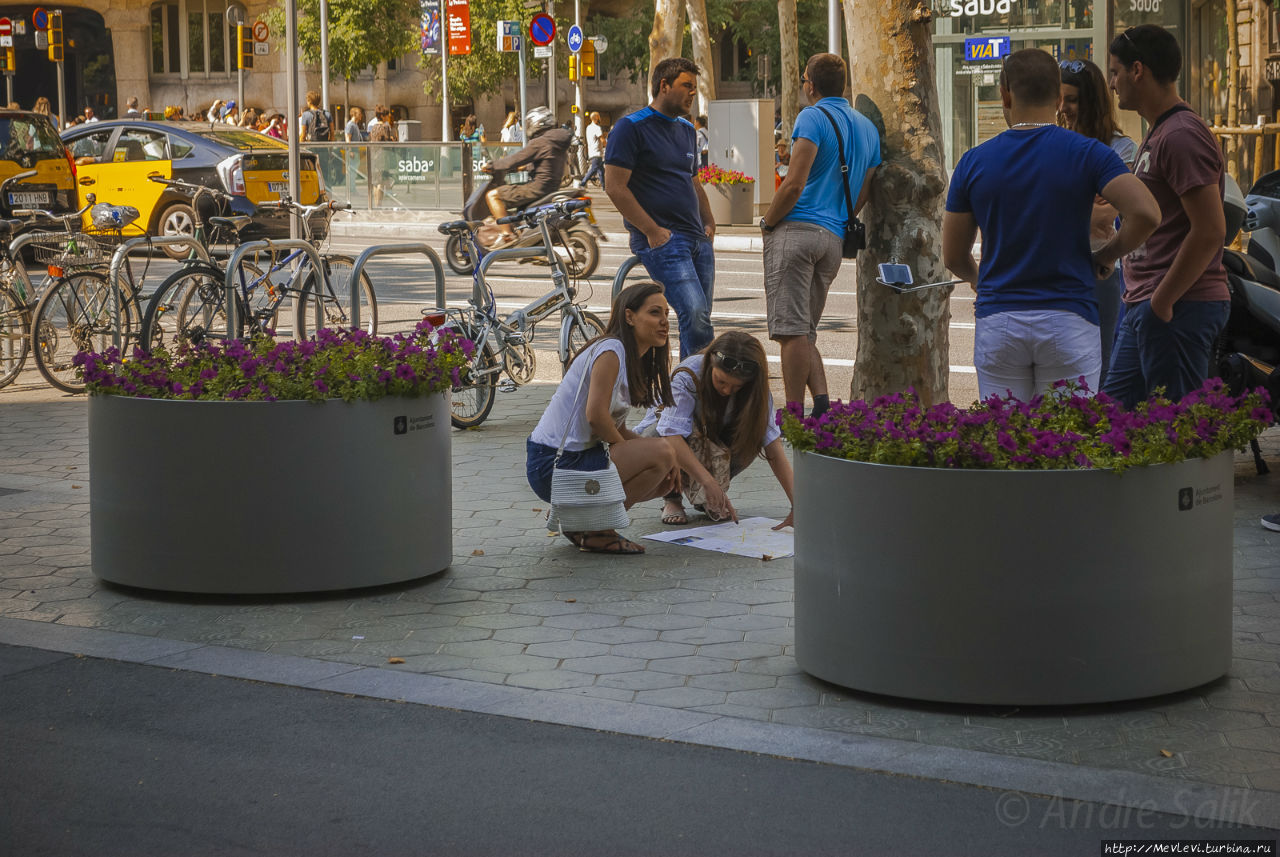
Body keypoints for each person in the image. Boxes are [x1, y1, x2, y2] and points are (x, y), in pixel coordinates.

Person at [942, 48, 1159, 402]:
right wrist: (1106, 255)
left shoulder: (973, 163)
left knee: (1004, 443)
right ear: (1059, 98)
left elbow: (953, 256)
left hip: (1000, 323)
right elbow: (1148, 213)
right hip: (1069, 320)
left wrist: (985, 281)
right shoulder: (1089, 153)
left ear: (1005, 94)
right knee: (1066, 445)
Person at [1102, 24, 1233, 409]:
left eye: (1115, 72)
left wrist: (1163, 301)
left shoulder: (1180, 134)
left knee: (1173, 432)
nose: (1112, 84)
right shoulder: (1160, 131)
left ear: (1137, 70)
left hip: (1176, 305)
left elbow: (1211, 230)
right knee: (1113, 419)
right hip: (1148, 303)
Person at [759, 52, 880, 417]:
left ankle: (792, 413)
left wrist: (767, 222)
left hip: (796, 231)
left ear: (810, 84)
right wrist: (842, 218)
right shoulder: (867, 128)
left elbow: (794, 183)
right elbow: (865, 190)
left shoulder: (812, 117)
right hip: (833, 237)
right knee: (805, 329)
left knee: (792, 331)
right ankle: (822, 405)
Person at [526, 281, 680, 555]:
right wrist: (650, 454)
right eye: (655, 313)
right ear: (630, 316)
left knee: (664, 471)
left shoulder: (626, 355)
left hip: (570, 461)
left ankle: (584, 525)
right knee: (662, 453)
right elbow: (596, 416)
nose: (664, 322)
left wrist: (662, 460)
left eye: (667, 314)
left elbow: (616, 426)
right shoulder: (612, 351)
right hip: (552, 464)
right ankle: (598, 530)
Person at [605, 57, 716, 360]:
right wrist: (651, 230)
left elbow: (692, 180)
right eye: (686, 86)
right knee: (693, 313)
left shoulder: (686, 129)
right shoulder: (630, 127)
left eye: (695, 87)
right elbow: (614, 186)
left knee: (701, 317)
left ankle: (693, 390)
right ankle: (691, 392)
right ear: (664, 86)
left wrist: (709, 222)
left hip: (697, 237)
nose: (693, 93)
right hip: (663, 239)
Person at [636, 330, 795, 529]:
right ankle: (673, 498)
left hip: (710, 442)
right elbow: (671, 435)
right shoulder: (687, 376)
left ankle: (707, 498)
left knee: (753, 435)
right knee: (658, 438)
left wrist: (797, 505)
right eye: (721, 381)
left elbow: (773, 447)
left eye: (737, 387)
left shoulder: (756, 391)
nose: (727, 390)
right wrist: (708, 482)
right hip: (669, 439)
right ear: (711, 362)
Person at [1059, 58, 1139, 391]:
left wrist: (1062, 205)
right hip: (1057, 266)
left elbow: (1107, 215)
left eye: (1073, 100)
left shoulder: (1122, 148)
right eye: (1060, 99)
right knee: (1060, 371)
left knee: (1101, 367)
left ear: (1092, 103)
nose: (1063, 108)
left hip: (1100, 268)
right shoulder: (1055, 143)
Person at [484, 105, 573, 243]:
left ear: (536, 123)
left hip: (537, 188)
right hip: (550, 188)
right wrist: (524, 168)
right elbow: (546, 163)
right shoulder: (556, 142)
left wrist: (492, 165)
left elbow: (515, 159)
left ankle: (508, 235)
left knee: (493, 196)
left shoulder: (540, 142)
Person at [578, 111, 605, 190]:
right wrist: (608, 145)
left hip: (592, 151)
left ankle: (604, 187)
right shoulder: (597, 128)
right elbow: (602, 139)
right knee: (594, 169)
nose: (600, 118)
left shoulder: (588, 127)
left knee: (601, 171)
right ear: (596, 118)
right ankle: (582, 183)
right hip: (597, 152)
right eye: (599, 117)